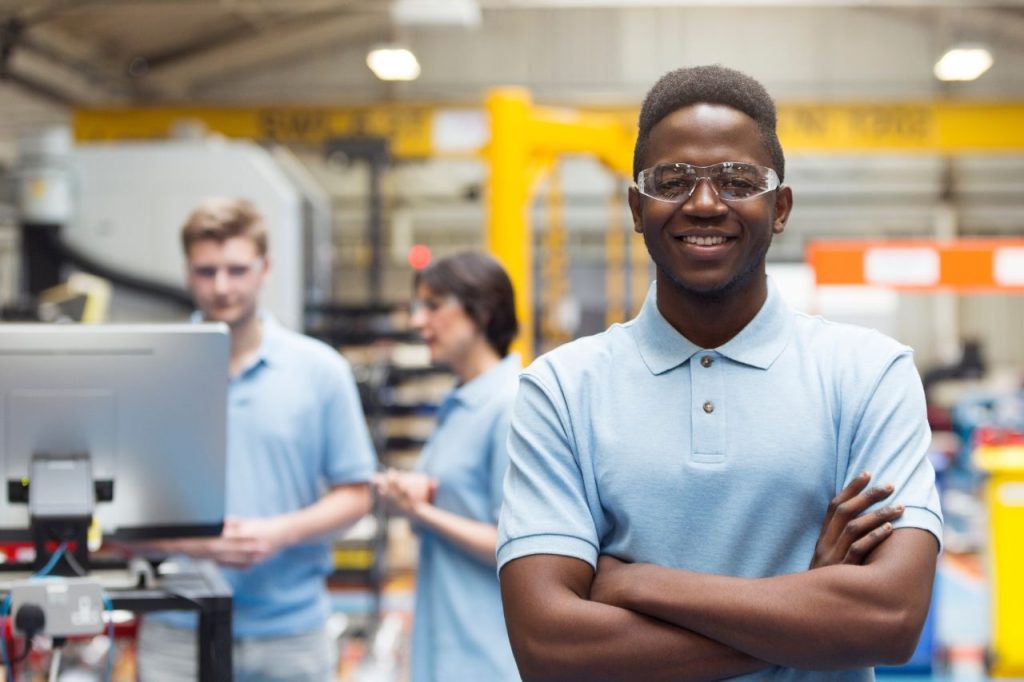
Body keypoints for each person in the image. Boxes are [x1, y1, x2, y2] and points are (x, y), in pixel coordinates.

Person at [497, 65, 943, 681]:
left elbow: (890, 621)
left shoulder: (869, 374)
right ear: (636, 207)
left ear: (779, 207)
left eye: (738, 180)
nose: (705, 203)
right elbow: (547, 648)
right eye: (673, 180)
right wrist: (808, 612)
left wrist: (639, 583)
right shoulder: (561, 390)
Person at [136, 197, 376, 682]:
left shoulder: (319, 371)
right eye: (207, 271)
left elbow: (357, 493)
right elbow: (119, 511)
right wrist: (200, 545)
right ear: (187, 273)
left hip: (290, 637)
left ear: (265, 268)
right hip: (177, 628)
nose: (222, 287)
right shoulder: (151, 369)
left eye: (236, 269)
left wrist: (278, 533)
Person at [374, 251, 521, 682]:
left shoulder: (509, 404)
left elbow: (516, 545)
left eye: (434, 306)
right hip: (446, 647)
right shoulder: (459, 403)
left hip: (487, 656)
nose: (419, 322)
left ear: (482, 311)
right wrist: (417, 493)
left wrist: (418, 512)